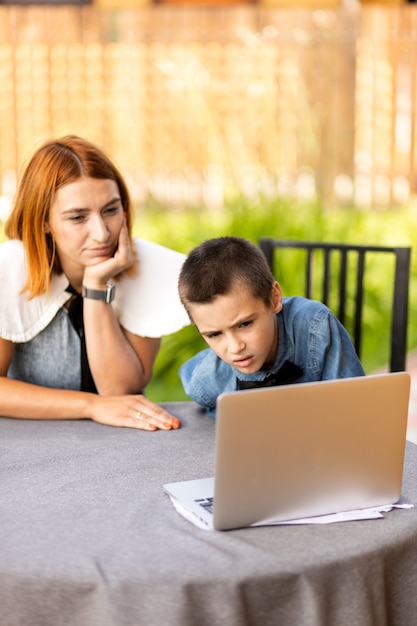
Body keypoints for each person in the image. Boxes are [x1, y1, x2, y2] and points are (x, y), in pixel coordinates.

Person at [0, 135, 190, 430]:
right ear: (44, 222)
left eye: (111, 210)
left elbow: (120, 389)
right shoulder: (9, 269)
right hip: (28, 443)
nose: (102, 233)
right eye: (78, 217)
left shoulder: (148, 269)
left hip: (116, 446)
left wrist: (96, 286)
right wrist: (91, 406)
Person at [178, 236, 365, 417]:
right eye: (214, 334)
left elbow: (356, 405)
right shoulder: (205, 382)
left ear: (274, 299)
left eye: (245, 324)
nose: (235, 347)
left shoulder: (315, 327)